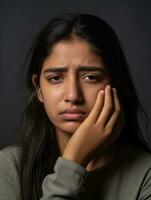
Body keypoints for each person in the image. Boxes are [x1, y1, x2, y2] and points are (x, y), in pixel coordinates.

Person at [0, 12, 151, 200]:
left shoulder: (146, 175)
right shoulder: (9, 167)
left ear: (115, 84)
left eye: (91, 77)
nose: (73, 96)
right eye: (56, 78)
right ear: (39, 89)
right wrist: (73, 162)